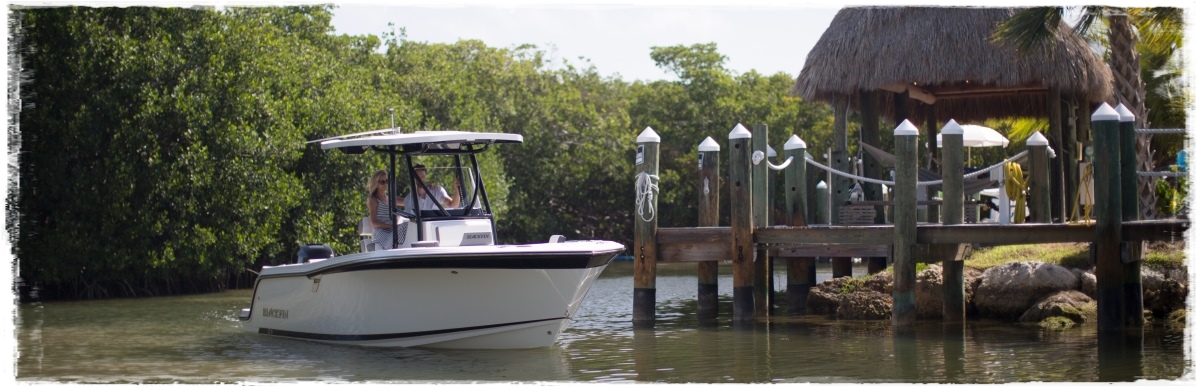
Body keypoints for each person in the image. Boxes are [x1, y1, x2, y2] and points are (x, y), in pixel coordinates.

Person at [366, 170, 407, 250]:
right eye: (382, 182)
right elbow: (374, 223)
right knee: (394, 239)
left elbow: (407, 201)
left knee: (408, 225)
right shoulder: (374, 200)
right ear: (376, 183)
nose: (385, 184)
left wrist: (419, 187)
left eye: (387, 181)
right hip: (380, 232)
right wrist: (392, 226)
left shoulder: (390, 198)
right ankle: (390, 249)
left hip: (392, 231)